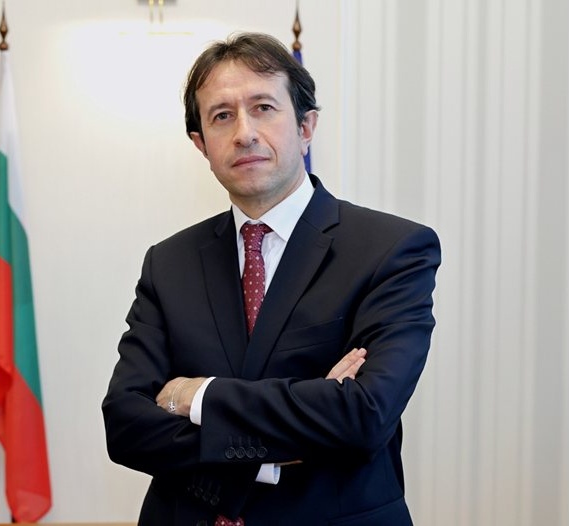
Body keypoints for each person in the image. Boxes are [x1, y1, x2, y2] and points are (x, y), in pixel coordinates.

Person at [103, 32, 441, 525]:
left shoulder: (392, 250)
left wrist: (193, 396)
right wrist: (298, 425)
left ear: (306, 127)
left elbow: (364, 415)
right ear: (201, 144)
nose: (244, 133)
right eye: (222, 116)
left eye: (263, 108)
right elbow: (125, 426)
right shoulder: (168, 262)